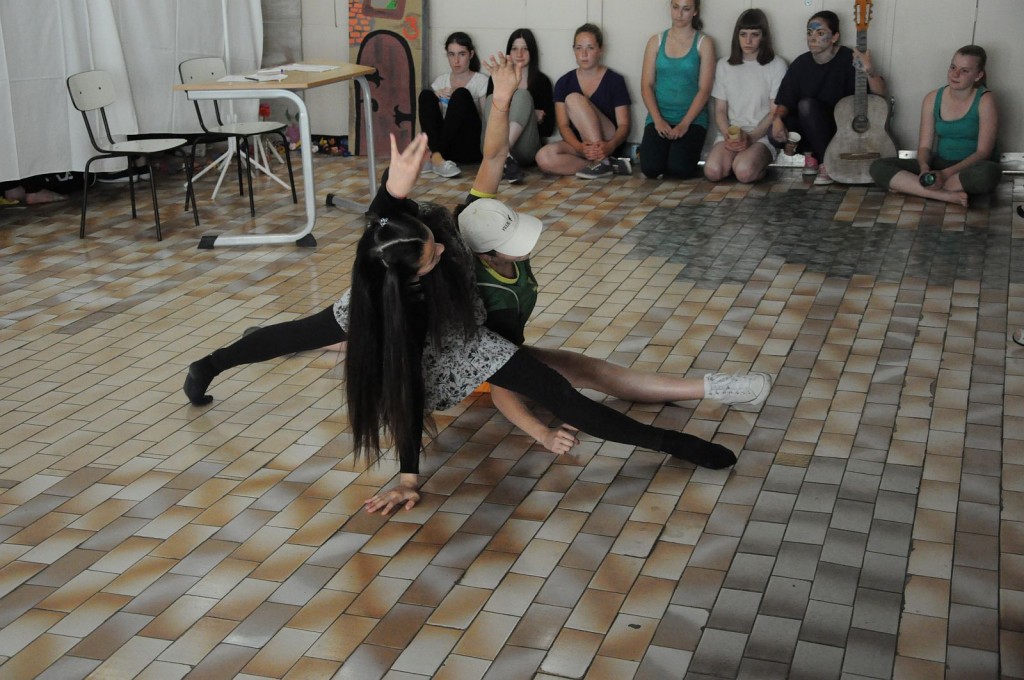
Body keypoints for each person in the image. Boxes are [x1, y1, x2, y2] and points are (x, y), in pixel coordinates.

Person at [458, 197, 772, 453]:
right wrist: (544, 434)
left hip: (510, 350)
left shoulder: (510, 256)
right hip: (481, 373)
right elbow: (498, 381)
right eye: (512, 241)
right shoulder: (481, 294)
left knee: (593, 370)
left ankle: (717, 387)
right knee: (568, 388)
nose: (524, 244)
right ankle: (710, 395)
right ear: (486, 255)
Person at [869, 45, 1000, 207]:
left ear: (978, 75)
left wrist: (945, 174)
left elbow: (983, 152)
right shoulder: (932, 98)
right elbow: (924, 147)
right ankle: (946, 195)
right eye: (953, 67)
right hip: (940, 164)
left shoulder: (985, 100)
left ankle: (913, 187)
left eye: (965, 71)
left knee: (988, 174)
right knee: (878, 167)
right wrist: (924, 168)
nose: (955, 74)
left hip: (969, 168)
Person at [770, 10, 886, 185]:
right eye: (809, 33)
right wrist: (777, 120)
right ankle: (812, 156)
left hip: (842, 129)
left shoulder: (849, 58)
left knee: (807, 105)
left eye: (820, 33)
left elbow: (880, 95)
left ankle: (828, 163)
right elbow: (785, 101)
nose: (813, 38)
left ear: (834, 37)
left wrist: (869, 70)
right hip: (810, 129)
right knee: (773, 132)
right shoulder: (801, 63)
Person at [535, 24, 632, 180]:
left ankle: (603, 160)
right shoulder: (564, 82)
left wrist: (611, 145)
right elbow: (563, 126)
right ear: (573, 50)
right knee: (543, 157)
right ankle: (608, 165)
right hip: (581, 144)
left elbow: (624, 125)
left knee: (573, 99)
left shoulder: (615, 80)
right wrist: (579, 147)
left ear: (600, 50)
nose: (584, 54)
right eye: (578, 48)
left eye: (590, 48)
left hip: (607, 140)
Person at [703, 9, 787, 184]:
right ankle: (734, 160)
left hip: (761, 136)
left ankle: (751, 164)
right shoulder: (724, 65)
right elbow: (720, 110)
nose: (748, 41)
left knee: (744, 172)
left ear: (763, 36)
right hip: (731, 133)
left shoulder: (776, 65)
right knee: (712, 171)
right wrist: (728, 135)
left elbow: (774, 111)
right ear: (737, 36)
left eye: (754, 35)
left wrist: (752, 137)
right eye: (743, 34)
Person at [639, 0, 715, 180]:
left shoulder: (704, 43)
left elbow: (704, 90)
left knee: (679, 169)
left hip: (692, 119)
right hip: (660, 117)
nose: (679, 14)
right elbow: (646, 86)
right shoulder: (656, 41)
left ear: (695, 11)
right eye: (675, 7)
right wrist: (657, 120)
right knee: (650, 168)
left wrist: (684, 124)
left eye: (686, 9)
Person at [481, 28, 555, 184]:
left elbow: (548, 129)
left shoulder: (542, 82)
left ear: (532, 51)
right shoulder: (497, 78)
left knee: (522, 95)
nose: (519, 54)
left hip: (524, 149)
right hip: (490, 146)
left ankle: (503, 154)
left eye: (525, 49)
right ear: (509, 52)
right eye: (514, 49)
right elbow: (491, 114)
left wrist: (528, 115)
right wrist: (531, 113)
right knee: (491, 99)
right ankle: (506, 158)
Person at [418, 31, 488, 178]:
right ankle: (437, 157)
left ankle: (434, 155)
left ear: (471, 54)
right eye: (451, 54)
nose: (456, 60)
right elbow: (432, 121)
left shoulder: (481, 81)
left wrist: (459, 98)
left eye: (461, 54)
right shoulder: (440, 81)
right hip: (446, 147)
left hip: (469, 145)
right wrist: (437, 98)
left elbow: (486, 121)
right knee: (426, 95)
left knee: (461, 94)